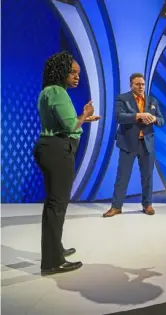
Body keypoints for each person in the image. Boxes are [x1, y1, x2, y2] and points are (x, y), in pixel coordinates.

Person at [34, 51, 100, 275]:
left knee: (54, 204)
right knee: (57, 206)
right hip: (58, 149)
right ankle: (52, 261)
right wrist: (84, 114)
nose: (76, 77)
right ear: (60, 71)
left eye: (78, 73)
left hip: (49, 147)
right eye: (72, 72)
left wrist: (82, 120)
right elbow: (71, 126)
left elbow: (63, 122)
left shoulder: (47, 92)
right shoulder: (59, 92)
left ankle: (55, 249)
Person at [103, 73, 164, 218]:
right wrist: (139, 115)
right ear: (131, 85)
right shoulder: (122, 99)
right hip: (128, 143)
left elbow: (162, 120)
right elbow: (119, 117)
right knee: (122, 176)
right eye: (137, 84)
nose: (141, 87)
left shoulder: (152, 100)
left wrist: (155, 118)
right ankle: (116, 207)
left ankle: (147, 205)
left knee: (147, 176)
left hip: (146, 143)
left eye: (142, 84)